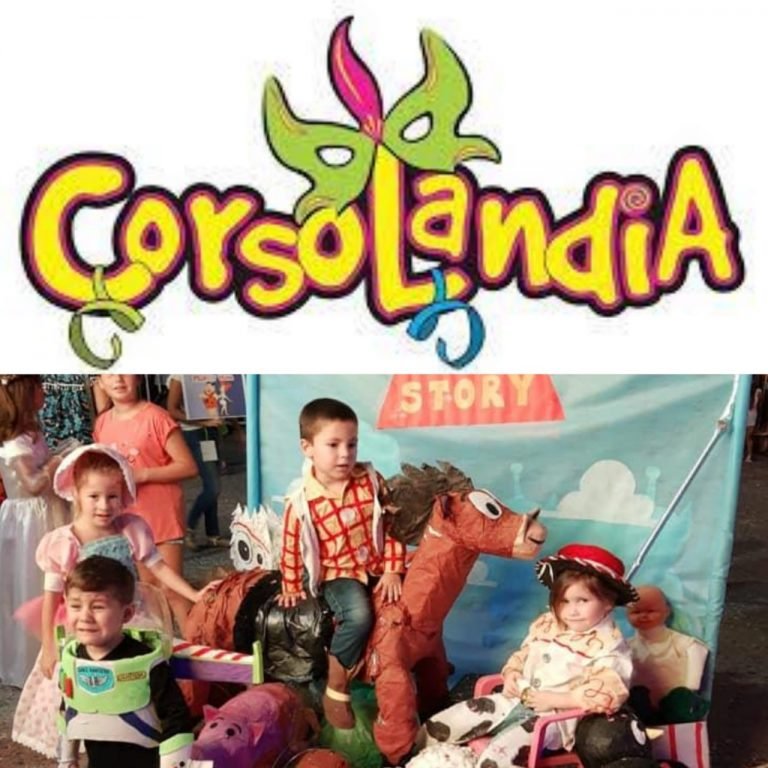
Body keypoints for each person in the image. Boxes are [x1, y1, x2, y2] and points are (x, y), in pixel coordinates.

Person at [11, 444, 213, 759]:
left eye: (112, 496)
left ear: (124, 494)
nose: (104, 505)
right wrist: (50, 646)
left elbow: (159, 568)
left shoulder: (131, 528)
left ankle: (144, 742)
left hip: (131, 621)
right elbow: (52, 597)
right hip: (87, 628)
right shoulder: (65, 541)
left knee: (140, 682)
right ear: (76, 494)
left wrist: (195, 595)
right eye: (94, 496)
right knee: (86, 694)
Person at [419, 543, 636, 767]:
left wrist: (557, 700)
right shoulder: (548, 624)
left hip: (553, 719)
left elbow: (607, 693)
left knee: (499, 755)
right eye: (564, 601)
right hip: (515, 699)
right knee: (450, 721)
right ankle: (410, 756)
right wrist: (512, 673)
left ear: (608, 602)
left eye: (582, 601)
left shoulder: (609, 646)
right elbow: (524, 654)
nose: (572, 611)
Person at [278, 397, 406, 729]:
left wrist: (393, 568)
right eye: (333, 445)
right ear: (307, 447)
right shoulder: (302, 501)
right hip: (338, 573)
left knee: (414, 599)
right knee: (359, 615)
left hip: (376, 564)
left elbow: (393, 525)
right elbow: (290, 545)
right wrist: (290, 585)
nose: (345, 454)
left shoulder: (371, 481)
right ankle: (336, 688)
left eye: (352, 444)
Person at [56, 555, 195, 768]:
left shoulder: (148, 663)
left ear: (127, 613)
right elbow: (69, 709)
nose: (85, 616)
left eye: (98, 607)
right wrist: (67, 760)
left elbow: (177, 720)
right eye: (75, 606)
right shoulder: (73, 662)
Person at [93, 374, 198, 627]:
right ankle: (161, 645)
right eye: (110, 374)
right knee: (148, 589)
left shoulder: (157, 417)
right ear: (100, 382)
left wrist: (142, 474)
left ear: (138, 377)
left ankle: (197, 643)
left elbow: (188, 466)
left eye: (125, 372)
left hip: (161, 514)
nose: (118, 379)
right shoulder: (103, 422)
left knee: (173, 589)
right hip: (129, 517)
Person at [0, 374, 65, 687]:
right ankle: (29, 659)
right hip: (28, 519)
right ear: (26, 393)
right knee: (32, 581)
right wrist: (56, 461)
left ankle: (51, 647)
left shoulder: (31, 432)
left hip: (43, 513)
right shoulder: (16, 442)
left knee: (50, 581)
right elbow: (33, 484)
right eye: (39, 387)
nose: (44, 392)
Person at [626, 584, 709, 716]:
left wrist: (687, 694)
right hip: (638, 713)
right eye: (636, 612)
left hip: (677, 711)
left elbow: (693, 683)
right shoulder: (625, 647)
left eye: (651, 611)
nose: (643, 616)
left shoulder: (686, 644)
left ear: (667, 611)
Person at [165, 375, 227, 549]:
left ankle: (213, 534)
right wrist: (203, 421)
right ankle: (189, 526)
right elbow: (172, 410)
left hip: (211, 431)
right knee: (213, 486)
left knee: (212, 484)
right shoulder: (180, 375)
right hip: (194, 433)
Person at [744, 387, 762, 462]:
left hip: (747, 416)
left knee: (746, 437)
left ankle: (748, 455)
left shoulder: (747, 394)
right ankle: (749, 455)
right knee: (749, 437)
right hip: (752, 416)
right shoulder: (757, 392)